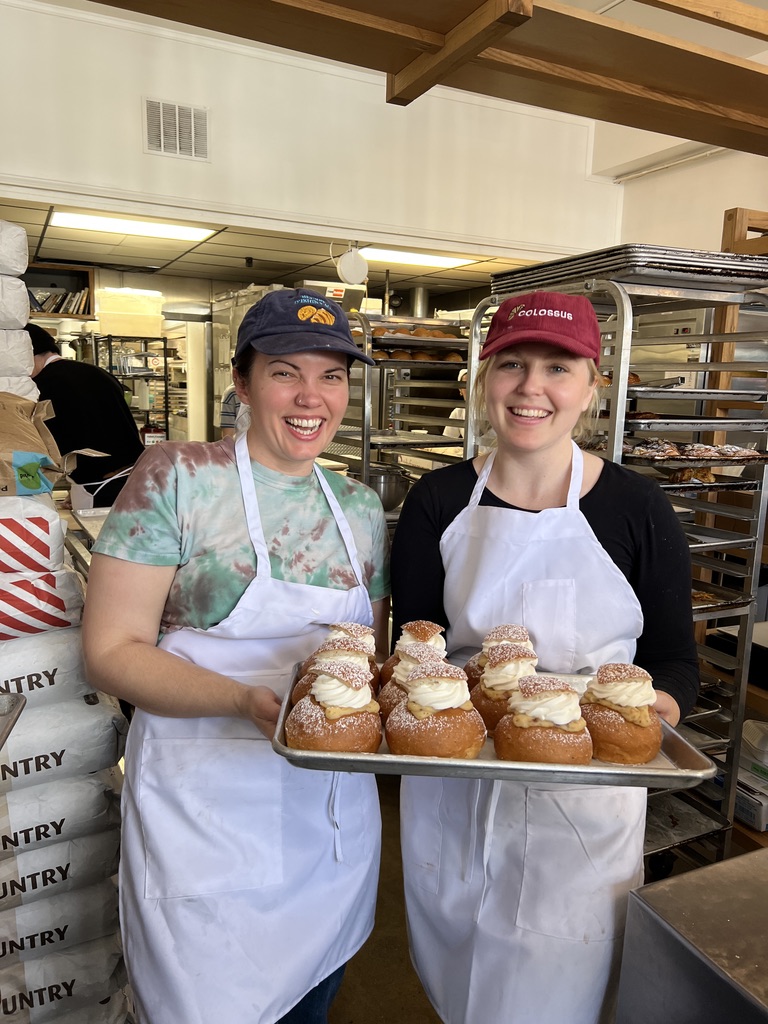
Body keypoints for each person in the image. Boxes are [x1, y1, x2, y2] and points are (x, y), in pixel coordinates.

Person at [81, 287, 390, 1024]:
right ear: (243, 382)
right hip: (206, 814)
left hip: (329, 824)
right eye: (286, 371)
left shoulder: (360, 508)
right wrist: (241, 700)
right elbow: (110, 652)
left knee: (312, 1002)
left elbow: (362, 654)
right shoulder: (177, 478)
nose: (312, 396)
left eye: (334, 376)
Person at [390, 290, 699, 1024]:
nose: (532, 388)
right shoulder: (437, 499)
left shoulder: (636, 506)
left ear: (591, 387)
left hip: (581, 806)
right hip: (455, 782)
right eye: (513, 365)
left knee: (556, 985)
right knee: (456, 970)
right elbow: (415, 646)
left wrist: (654, 712)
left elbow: (676, 659)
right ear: (483, 380)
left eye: (558, 368)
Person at [26, 322, 145, 506]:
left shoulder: (42, 385)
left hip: (100, 485)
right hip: (136, 478)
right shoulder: (98, 372)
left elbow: (48, 445)